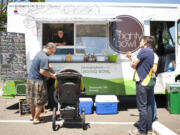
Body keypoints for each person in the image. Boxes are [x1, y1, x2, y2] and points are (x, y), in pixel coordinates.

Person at [128, 36, 154, 135]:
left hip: (142, 83)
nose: (140, 43)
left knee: (142, 107)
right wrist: (131, 58)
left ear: (145, 43)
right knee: (148, 106)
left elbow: (134, 65)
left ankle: (142, 131)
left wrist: (130, 59)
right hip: (148, 82)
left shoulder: (143, 51)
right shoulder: (151, 52)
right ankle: (148, 128)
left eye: (141, 41)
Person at [26, 42, 57, 124]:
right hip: (38, 82)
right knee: (40, 102)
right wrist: (52, 76)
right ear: (48, 49)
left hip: (31, 80)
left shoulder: (40, 53)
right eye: (52, 52)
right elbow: (43, 71)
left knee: (32, 101)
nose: (52, 54)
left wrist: (54, 72)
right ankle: (36, 119)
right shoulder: (44, 57)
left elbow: (48, 65)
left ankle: (33, 117)